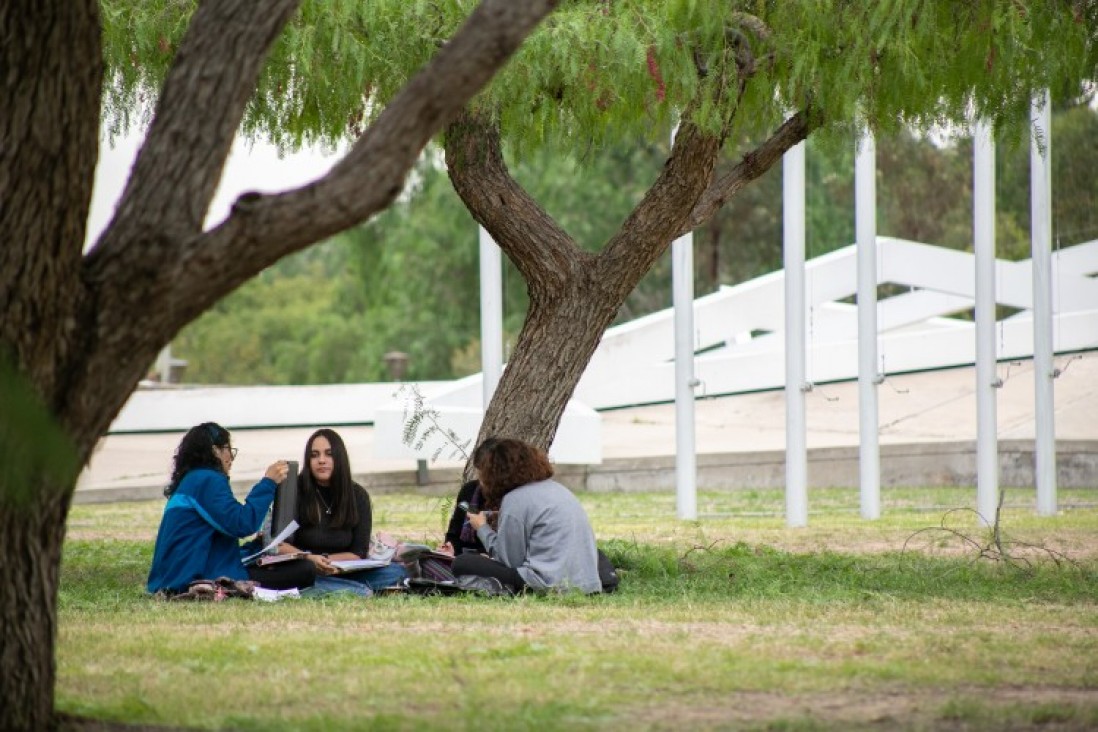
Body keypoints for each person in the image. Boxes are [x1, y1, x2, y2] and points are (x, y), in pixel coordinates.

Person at [147, 422, 313, 595]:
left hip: (173, 576)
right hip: (189, 577)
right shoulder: (207, 480)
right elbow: (242, 524)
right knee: (304, 570)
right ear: (215, 450)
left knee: (280, 564)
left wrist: (256, 547)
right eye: (228, 449)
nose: (231, 458)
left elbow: (219, 535)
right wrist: (268, 483)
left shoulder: (192, 480)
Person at [451, 437, 602, 594]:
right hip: (586, 584)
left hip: (547, 584)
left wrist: (482, 528)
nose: (481, 481)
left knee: (462, 563)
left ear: (495, 473)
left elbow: (509, 561)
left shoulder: (514, 500)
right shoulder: (557, 489)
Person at [276, 428, 407, 594]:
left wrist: (327, 562)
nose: (321, 460)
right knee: (359, 591)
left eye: (329, 454)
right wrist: (311, 559)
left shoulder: (357, 495)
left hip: (341, 569)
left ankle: (340, 587)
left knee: (397, 573)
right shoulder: (294, 491)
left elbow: (358, 552)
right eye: (314, 455)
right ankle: (347, 589)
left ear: (340, 457)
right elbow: (279, 545)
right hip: (304, 567)